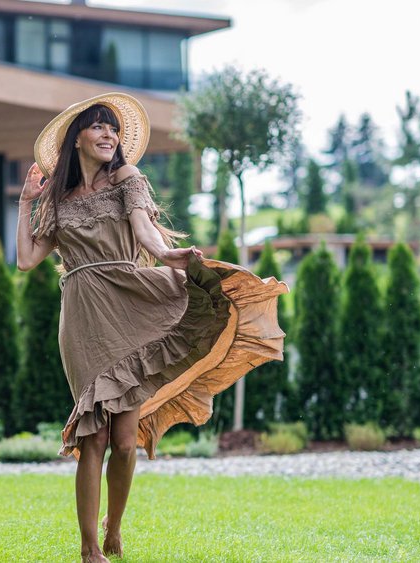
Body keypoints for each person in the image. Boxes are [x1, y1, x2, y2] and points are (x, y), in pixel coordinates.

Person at [15, 92, 288, 563]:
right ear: (76, 136)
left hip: (132, 302)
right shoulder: (56, 201)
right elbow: (25, 261)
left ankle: (113, 529)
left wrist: (167, 256)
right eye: (99, 126)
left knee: (124, 441)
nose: (109, 135)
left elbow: (144, 233)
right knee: (92, 434)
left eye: (114, 129)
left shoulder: (127, 179)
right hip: (83, 317)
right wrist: (25, 203)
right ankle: (87, 550)